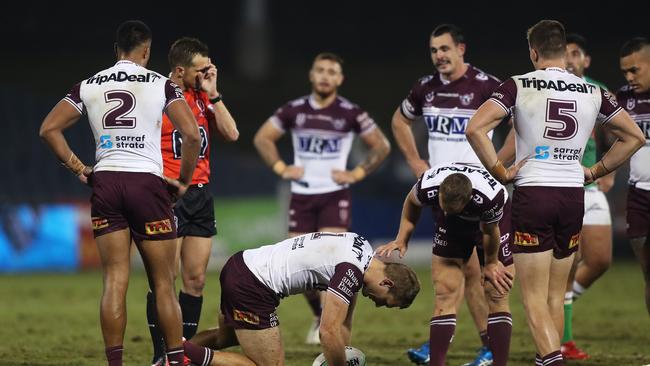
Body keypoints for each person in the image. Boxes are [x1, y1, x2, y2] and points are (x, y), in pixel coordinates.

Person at [37, 20, 216, 366]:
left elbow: (48, 129)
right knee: (163, 283)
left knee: (114, 280)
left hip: (105, 182)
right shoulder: (162, 84)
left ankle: (115, 364)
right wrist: (182, 180)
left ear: (115, 49)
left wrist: (79, 168)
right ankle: (175, 361)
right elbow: (192, 135)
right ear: (146, 51)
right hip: (146, 184)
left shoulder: (88, 85)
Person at [466, 19, 644, 366]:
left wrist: (500, 171)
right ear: (564, 51)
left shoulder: (518, 85)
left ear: (533, 52)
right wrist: (595, 171)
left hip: (534, 195)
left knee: (532, 299)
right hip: (573, 196)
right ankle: (546, 358)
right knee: (554, 296)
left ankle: (552, 361)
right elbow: (634, 137)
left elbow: (476, 129)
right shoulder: (592, 91)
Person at [253, 52, 391, 345]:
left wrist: (356, 174)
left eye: (332, 72)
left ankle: (334, 325)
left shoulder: (350, 112)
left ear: (340, 79)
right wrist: (281, 167)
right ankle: (320, 316)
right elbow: (262, 138)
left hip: (334, 195)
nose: (326, 76)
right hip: (301, 196)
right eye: (321, 70)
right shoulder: (294, 110)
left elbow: (381, 145)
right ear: (312, 75)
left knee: (335, 263)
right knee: (299, 265)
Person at [392, 23, 505, 366]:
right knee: (461, 271)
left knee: (466, 271)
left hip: (478, 195)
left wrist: (501, 164)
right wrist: (414, 160)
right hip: (443, 195)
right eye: (433, 50)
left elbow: (519, 123)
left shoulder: (487, 86)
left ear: (461, 49)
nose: (438, 56)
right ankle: (473, 344)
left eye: (444, 48)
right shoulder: (424, 88)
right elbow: (399, 121)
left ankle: (471, 346)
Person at [187, 232, 420, 365]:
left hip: (242, 264)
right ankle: (179, 352)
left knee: (223, 338)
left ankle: (171, 358)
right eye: (385, 301)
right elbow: (328, 332)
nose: (378, 304)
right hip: (252, 285)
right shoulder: (350, 271)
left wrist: (342, 354)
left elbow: (342, 325)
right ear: (386, 283)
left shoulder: (362, 250)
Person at [146, 37, 240, 366]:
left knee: (196, 279)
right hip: (167, 192)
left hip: (200, 193)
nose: (206, 74)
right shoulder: (155, 95)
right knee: (165, 279)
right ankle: (162, 353)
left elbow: (231, 134)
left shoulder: (203, 95)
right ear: (179, 70)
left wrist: (214, 92)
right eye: (201, 71)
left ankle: (181, 353)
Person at [376, 162, 518, 366]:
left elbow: (490, 232)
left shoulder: (490, 198)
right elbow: (411, 202)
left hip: (491, 226)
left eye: (450, 207)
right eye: (442, 204)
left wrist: (491, 262)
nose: (444, 208)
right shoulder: (428, 186)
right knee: (445, 290)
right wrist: (402, 238)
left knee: (496, 290)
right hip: (452, 225)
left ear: (467, 200)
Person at [561, 32, 616, 360]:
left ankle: (559, 307)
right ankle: (563, 336)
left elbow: (620, 132)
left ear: (586, 59)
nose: (569, 59)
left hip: (590, 184)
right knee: (566, 267)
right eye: (564, 53)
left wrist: (608, 169)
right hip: (561, 185)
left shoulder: (599, 91)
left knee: (599, 260)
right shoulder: (551, 89)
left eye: (575, 53)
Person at [617, 36, 650, 318]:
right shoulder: (623, 98)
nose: (629, 77)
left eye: (634, 70)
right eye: (624, 72)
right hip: (639, 195)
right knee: (648, 275)